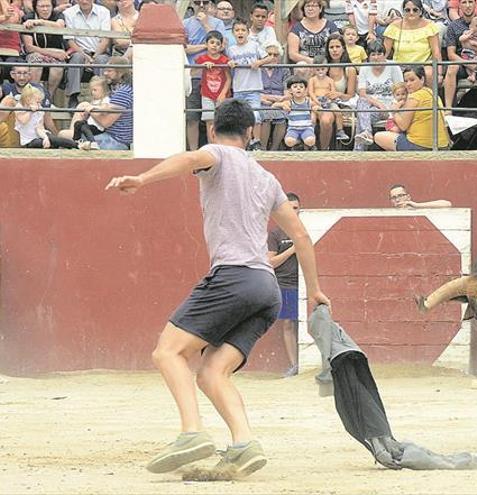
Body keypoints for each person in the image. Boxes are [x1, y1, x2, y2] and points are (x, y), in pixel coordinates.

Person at [106, 99, 330, 478]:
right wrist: (316, 291)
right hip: (267, 290)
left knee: (168, 352)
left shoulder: (216, 154)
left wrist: (142, 179)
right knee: (212, 372)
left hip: (233, 277)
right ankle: (243, 444)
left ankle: (191, 432)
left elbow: (189, 159)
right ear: (251, 133)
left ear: (213, 130)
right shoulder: (268, 179)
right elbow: (302, 236)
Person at [267, 192, 303, 378]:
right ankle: (295, 364)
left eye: (295, 208)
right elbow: (270, 262)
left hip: (305, 284)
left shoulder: (308, 228)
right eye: (289, 208)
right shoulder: (275, 234)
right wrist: (292, 250)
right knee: (288, 323)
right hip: (286, 284)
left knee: (310, 323)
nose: (293, 211)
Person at [374, 65, 450, 151]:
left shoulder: (414, 97)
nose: (408, 84)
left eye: (412, 80)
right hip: (444, 145)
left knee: (378, 136)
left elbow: (403, 126)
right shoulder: (431, 92)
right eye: (406, 81)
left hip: (421, 146)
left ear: (422, 79)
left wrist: (394, 111)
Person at [444, 0, 477, 115]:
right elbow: (451, 54)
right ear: (459, 5)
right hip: (462, 61)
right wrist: (469, 64)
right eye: (464, 2)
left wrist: (470, 47)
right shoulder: (453, 26)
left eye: (470, 2)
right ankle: (448, 109)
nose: (467, 6)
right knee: (451, 68)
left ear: (475, 4)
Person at [183, 0, 224, 150]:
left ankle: (214, 150)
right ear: (191, 4)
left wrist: (206, 24)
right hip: (193, 75)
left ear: (211, 5)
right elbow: (184, 48)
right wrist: (205, 46)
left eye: (205, 2)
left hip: (215, 77)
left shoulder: (217, 23)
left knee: (212, 118)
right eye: (197, 1)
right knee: (192, 117)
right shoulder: (185, 23)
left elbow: (222, 45)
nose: (201, 5)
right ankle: (194, 151)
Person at [227, 18, 274, 150]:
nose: (240, 32)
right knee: (239, 117)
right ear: (233, 33)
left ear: (248, 32)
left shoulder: (254, 45)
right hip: (238, 88)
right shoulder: (231, 50)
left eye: (243, 30)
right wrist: (230, 64)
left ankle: (256, 141)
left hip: (253, 88)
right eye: (237, 30)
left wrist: (259, 63)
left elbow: (270, 57)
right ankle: (241, 143)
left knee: (255, 115)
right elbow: (227, 65)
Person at [352, 40, 404, 150]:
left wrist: (390, 107)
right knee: (362, 106)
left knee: (362, 116)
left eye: (379, 54)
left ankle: (358, 152)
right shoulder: (364, 68)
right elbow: (362, 93)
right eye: (373, 54)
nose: (376, 57)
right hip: (370, 108)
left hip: (389, 107)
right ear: (369, 56)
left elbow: (402, 91)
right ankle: (367, 133)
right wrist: (378, 103)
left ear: (384, 54)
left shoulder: (393, 67)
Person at [63, 0, 112, 109]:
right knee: (76, 58)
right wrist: (84, 55)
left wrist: (93, 57)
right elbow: (70, 40)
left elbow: (105, 39)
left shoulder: (104, 12)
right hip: (79, 51)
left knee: (101, 60)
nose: (84, 1)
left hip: (99, 51)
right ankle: (73, 96)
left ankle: (102, 97)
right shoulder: (68, 13)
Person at [80, 56, 133, 150]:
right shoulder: (118, 89)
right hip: (111, 136)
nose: (105, 73)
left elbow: (106, 122)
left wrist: (90, 109)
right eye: (105, 70)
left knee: (78, 144)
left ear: (120, 73)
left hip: (116, 140)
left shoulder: (123, 92)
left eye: (109, 71)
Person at [383, 0, 443, 83]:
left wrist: (439, 74)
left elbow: (436, 52)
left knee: (429, 73)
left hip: (422, 66)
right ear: (403, 11)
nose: (411, 13)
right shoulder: (393, 27)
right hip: (399, 66)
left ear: (421, 11)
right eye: (407, 10)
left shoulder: (430, 26)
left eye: (415, 10)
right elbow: (384, 52)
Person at [21, 0, 66, 97]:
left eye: (48, 6)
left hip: (55, 52)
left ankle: (48, 98)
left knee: (57, 64)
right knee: (36, 59)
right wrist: (50, 53)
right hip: (36, 52)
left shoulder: (58, 15)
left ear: (52, 6)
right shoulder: (28, 18)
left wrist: (40, 22)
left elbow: (60, 26)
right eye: (41, 6)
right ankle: (33, 96)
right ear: (36, 7)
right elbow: (29, 47)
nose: (45, 9)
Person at [194, 30, 231, 144]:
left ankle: (221, 144)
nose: (214, 45)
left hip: (221, 95)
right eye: (212, 42)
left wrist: (223, 93)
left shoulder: (224, 60)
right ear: (206, 44)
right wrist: (202, 65)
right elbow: (192, 72)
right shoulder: (202, 59)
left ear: (221, 47)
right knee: (209, 120)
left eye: (217, 43)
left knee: (221, 120)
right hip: (206, 94)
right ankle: (211, 144)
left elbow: (229, 78)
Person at [15, 84, 78, 149]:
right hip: (28, 140)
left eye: (40, 102)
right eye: (37, 102)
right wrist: (30, 112)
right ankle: (75, 145)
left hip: (40, 135)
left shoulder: (40, 108)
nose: (39, 104)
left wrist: (45, 138)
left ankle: (77, 145)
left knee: (53, 139)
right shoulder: (19, 107)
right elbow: (23, 121)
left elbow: (39, 128)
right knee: (45, 142)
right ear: (28, 100)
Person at [2, 64, 59, 134]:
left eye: (25, 73)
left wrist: (56, 135)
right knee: (8, 100)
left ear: (29, 75)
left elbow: (47, 117)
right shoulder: (5, 88)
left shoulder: (39, 90)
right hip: (12, 129)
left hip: (34, 129)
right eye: (19, 73)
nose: (22, 77)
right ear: (12, 74)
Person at [58, 75, 110, 149]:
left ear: (103, 90)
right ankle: (75, 142)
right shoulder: (94, 101)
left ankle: (92, 142)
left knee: (82, 124)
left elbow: (105, 109)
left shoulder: (105, 99)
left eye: (95, 90)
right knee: (78, 124)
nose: (92, 93)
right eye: (91, 90)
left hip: (97, 128)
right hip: (89, 126)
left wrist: (93, 108)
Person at [259, 39, 289, 150]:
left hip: (279, 103)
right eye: (269, 54)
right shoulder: (258, 69)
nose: (272, 57)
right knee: (266, 116)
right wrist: (269, 98)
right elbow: (254, 92)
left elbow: (287, 94)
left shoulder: (284, 70)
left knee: (282, 116)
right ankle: (262, 148)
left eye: (275, 55)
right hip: (261, 101)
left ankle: (274, 149)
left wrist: (278, 100)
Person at [287, 0, 339, 65]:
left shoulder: (331, 26)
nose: (310, 8)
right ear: (303, 9)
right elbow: (292, 54)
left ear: (320, 9)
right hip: (306, 65)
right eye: (307, 6)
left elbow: (338, 46)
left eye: (314, 6)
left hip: (327, 64)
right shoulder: (296, 28)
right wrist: (311, 61)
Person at [277, 76, 318, 149]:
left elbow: (318, 107)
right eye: (295, 87)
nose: (298, 88)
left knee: (310, 141)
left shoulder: (308, 102)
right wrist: (282, 105)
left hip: (307, 128)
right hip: (293, 129)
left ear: (305, 90)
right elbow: (274, 105)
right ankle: (299, 142)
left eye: (301, 87)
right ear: (290, 90)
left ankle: (305, 142)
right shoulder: (289, 102)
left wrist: (316, 108)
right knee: (289, 142)